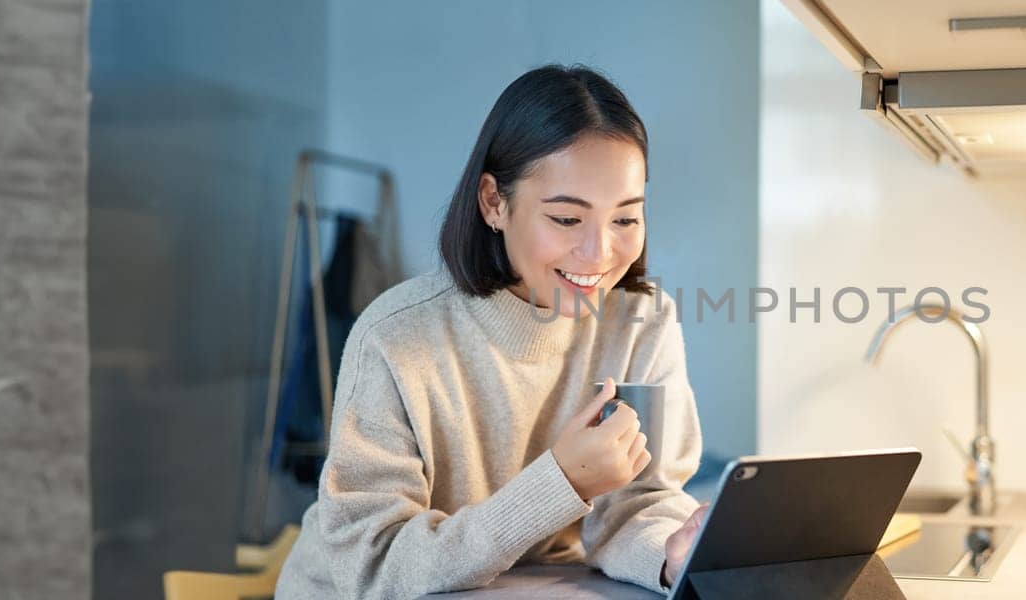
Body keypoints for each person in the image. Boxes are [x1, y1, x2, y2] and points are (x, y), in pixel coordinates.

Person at [276, 64, 708, 599]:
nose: (599, 253)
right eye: (567, 220)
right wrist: (562, 481)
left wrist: (669, 552)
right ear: (493, 203)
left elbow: (639, 503)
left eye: (624, 219)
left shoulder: (642, 322)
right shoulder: (395, 338)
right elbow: (374, 565)